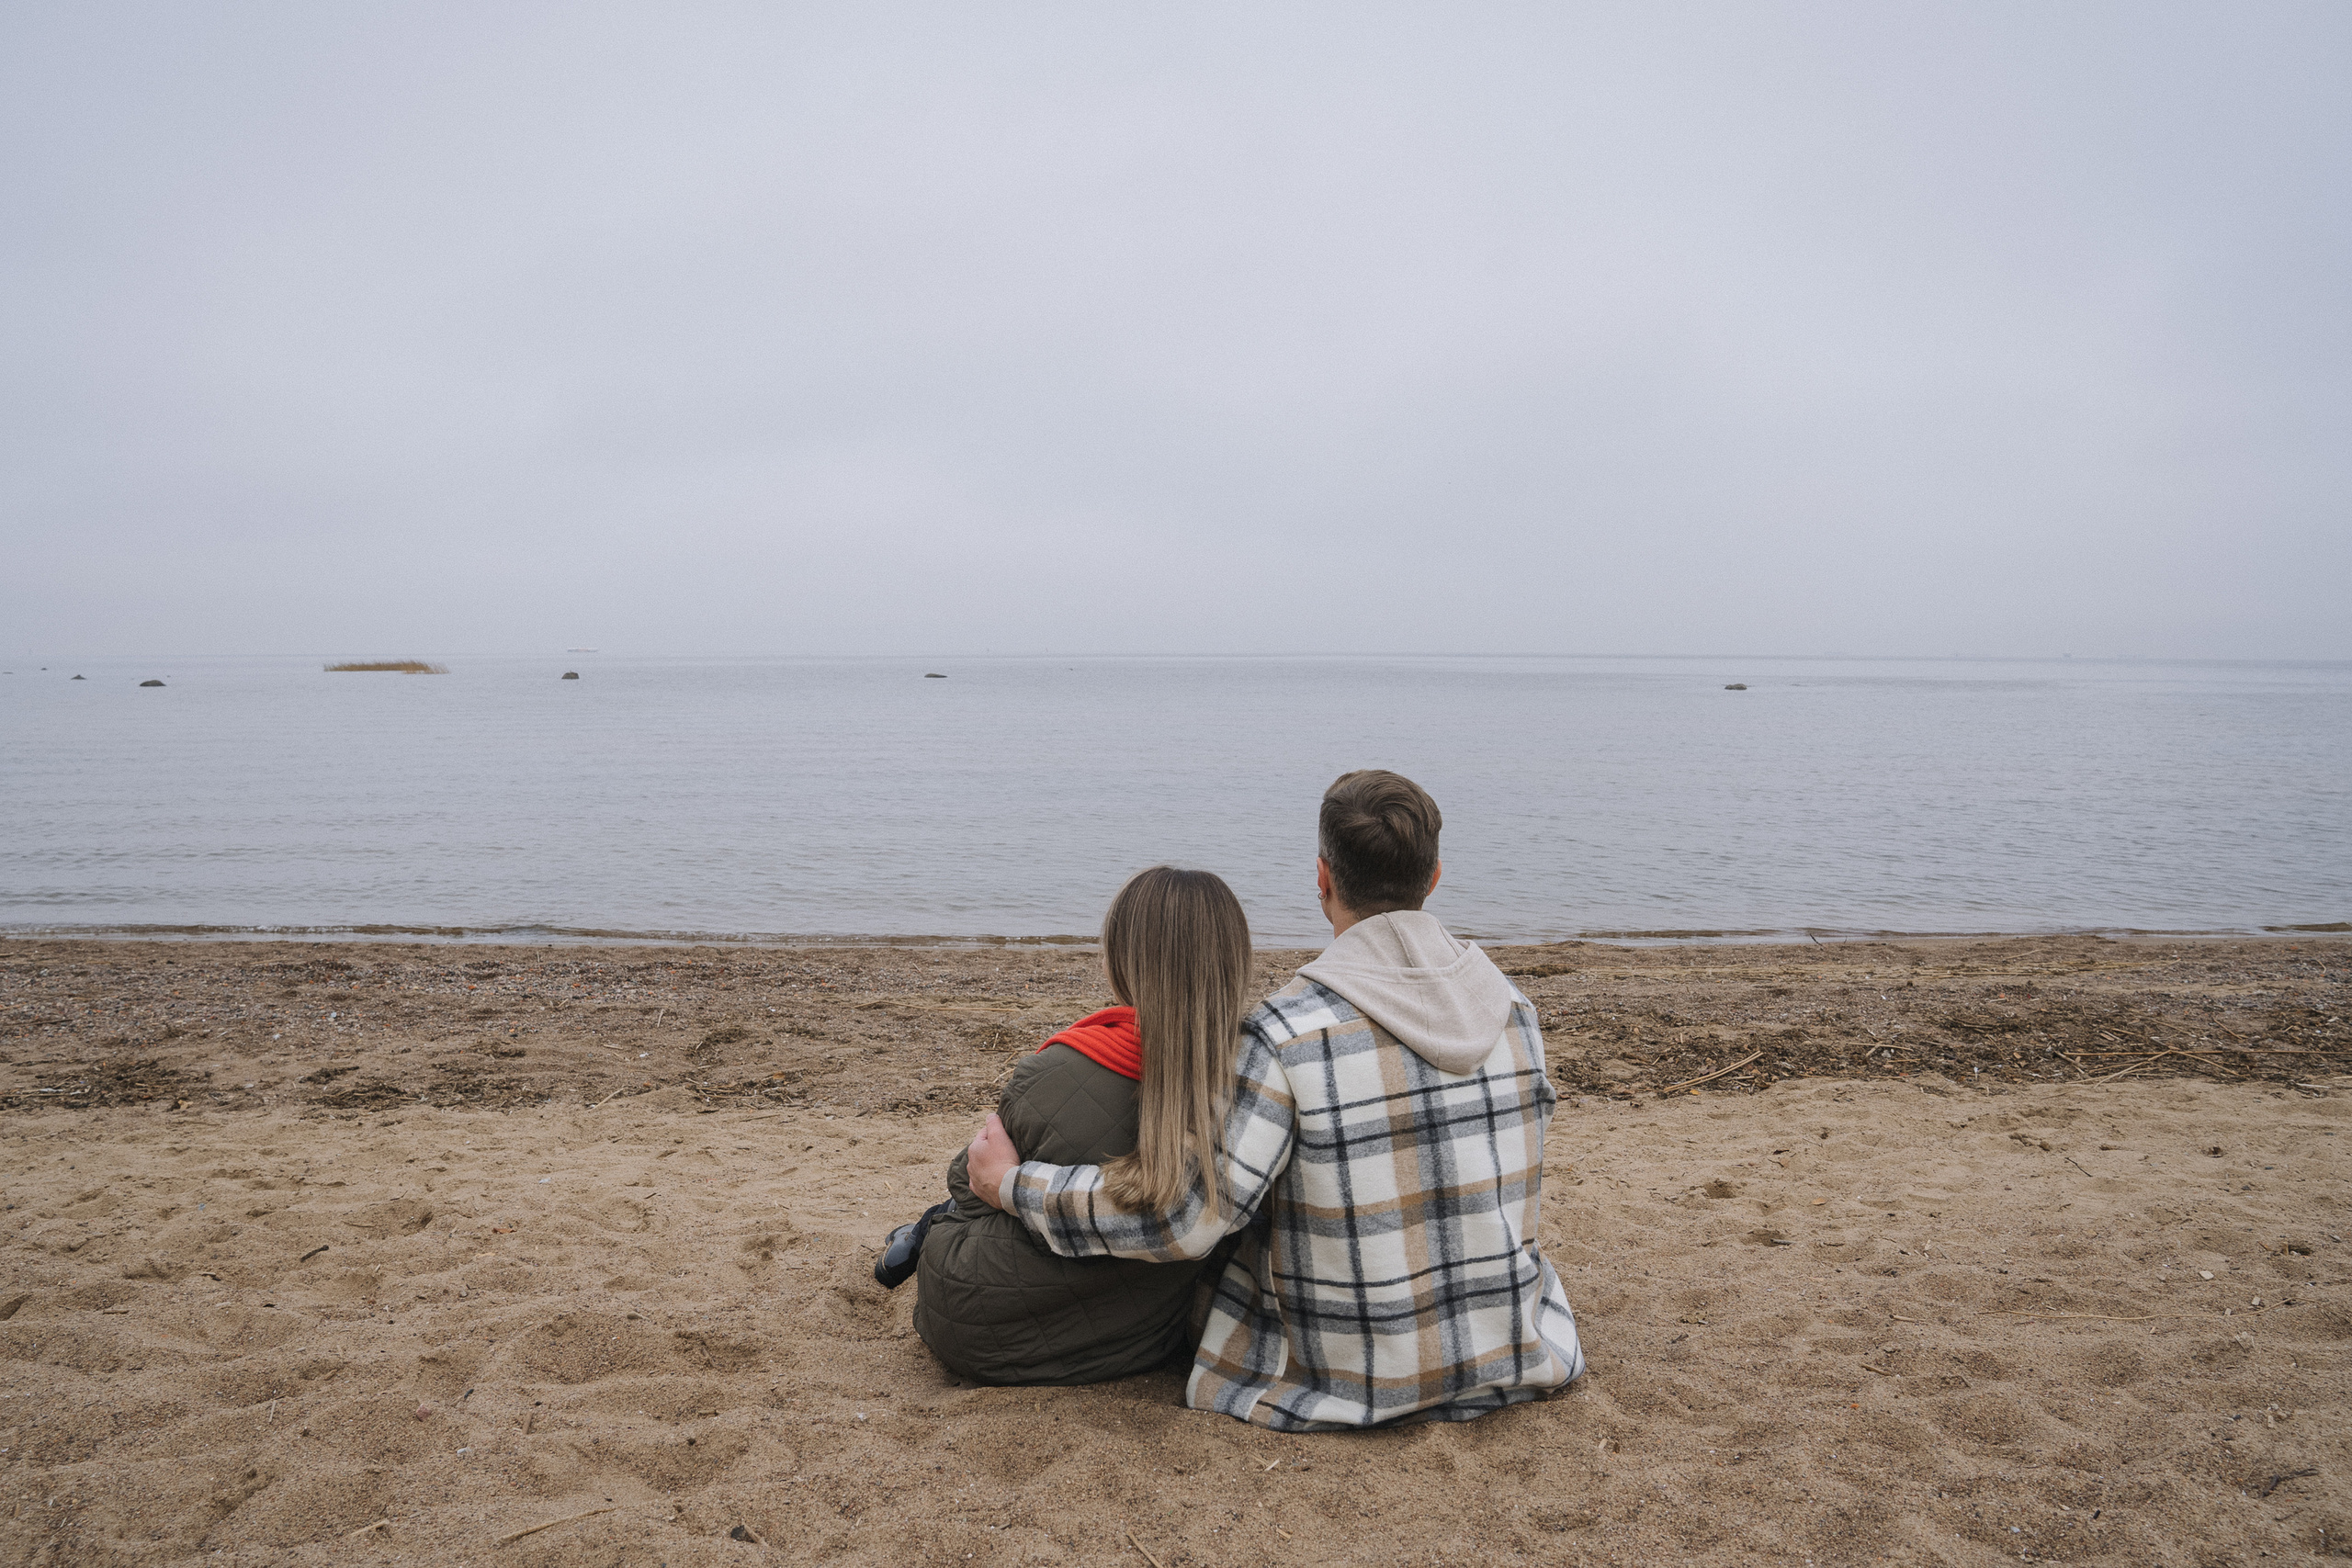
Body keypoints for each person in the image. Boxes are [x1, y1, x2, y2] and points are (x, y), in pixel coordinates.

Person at [967, 769, 1583, 1430]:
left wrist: (1012, 1183)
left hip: (1356, 1380)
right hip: (1511, 1352)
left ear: (1322, 880)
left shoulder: (1286, 1035)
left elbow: (1182, 1222)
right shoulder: (1516, 1011)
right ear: (1432, 879)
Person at [878, 865, 1253, 1386]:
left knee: (959, 1205)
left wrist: (1002, 1185)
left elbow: (970, 1181)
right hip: (1142, 1340)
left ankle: (918, 1231)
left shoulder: (1059, 1070)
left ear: (1121, 959)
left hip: (979, 1324)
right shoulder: (1255, 1086)